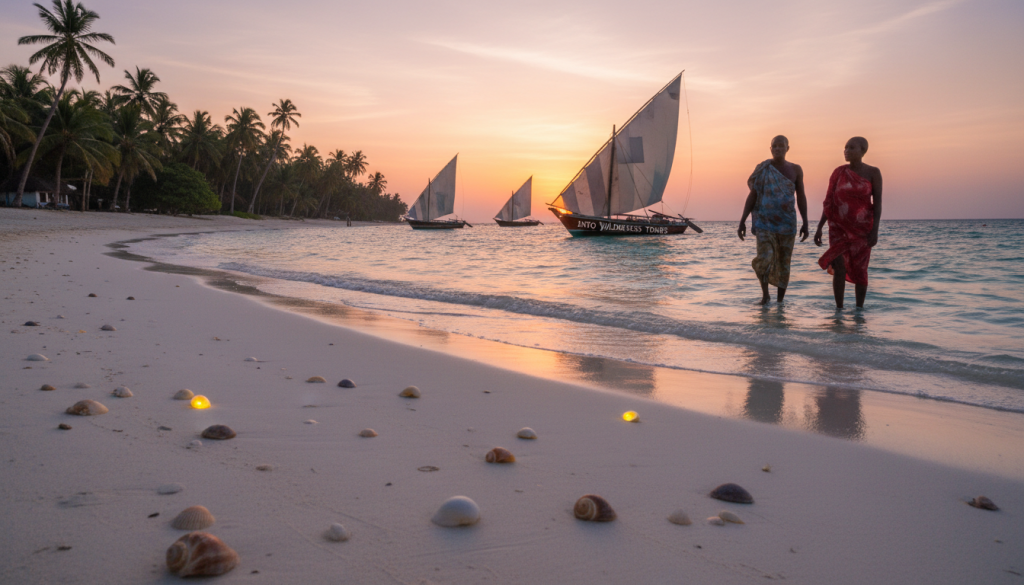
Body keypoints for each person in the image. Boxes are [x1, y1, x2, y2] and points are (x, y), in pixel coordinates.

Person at [738, 135, 809, 304]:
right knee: (765, 258)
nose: (777, 149)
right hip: (765, 223)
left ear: (787, 148)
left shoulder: (796, 169)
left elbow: (801, 197)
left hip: (787, 224)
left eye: (781, 146)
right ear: (770, 149)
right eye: (774, 146)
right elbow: (753, 195)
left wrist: (805, 222)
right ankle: (765, 295)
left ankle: (780, 301)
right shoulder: (763, 168)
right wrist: (742, 220)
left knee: (784, 263)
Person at [813, 137, 883, 309]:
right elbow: (829, 201)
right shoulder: (838, 172)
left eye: (852, 147)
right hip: (838, 229)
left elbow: (878, 203)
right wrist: (820, 227)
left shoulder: (873, 172)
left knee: (860, 269)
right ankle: (839, 310)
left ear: (863, 150)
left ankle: (859, 310)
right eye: (845, 148)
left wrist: (875, 230)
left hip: (862, 230)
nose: (847, 151)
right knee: (839, 267)